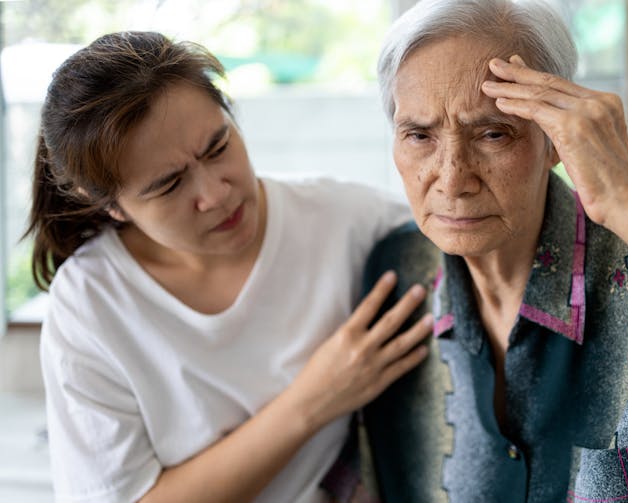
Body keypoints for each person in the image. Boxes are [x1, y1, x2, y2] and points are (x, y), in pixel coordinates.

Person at [359, 0, 628, 501]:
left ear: (554, 140)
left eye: (493, 133)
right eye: (419, 135)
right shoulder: (396, 274)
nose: (453, 179)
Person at [27, 31, 435, 503]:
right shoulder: (90, 304)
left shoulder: (341, 219)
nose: (216, 194)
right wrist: (314, 400)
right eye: (169, 185)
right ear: (112, 207)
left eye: (218, 147)